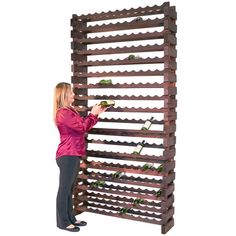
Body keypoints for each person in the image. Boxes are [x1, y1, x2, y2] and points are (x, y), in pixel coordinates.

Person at [53, 82, 106, 232]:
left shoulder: (70, 111)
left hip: (73, 154)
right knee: (64, 189)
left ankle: (71, 218)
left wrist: (97, 114)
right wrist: (93, 114)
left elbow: (83, 126)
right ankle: (63, 222)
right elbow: (82, 127)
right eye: (70, 92)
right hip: (67, 155)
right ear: (63, 95)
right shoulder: (63, 112)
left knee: (69, 189)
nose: (73, 95)